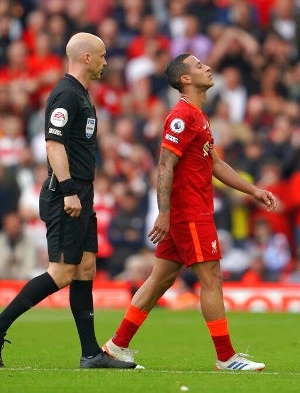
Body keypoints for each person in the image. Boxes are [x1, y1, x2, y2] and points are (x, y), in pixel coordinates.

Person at [102, 53, 277, 371]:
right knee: (212, 277)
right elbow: (164, 166)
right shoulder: (181, 117)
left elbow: (216, 164)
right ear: (185, 79)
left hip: (190, 211)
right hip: (189, 212)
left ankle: (116, 346)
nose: (207, 67)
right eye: (198, 66)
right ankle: (226, 357)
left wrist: (253, 190)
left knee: (159, 281)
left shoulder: (199, 116)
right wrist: (165, 212)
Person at [0, 33, 138, 369]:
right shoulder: (65, 93)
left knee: (86, 268)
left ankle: (91, 354)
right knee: (63, 272)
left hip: (83, 191)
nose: (107, 62)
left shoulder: (81, 94)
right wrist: (67, 190)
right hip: (68, 192)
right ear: (86, 58)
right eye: (102, 56)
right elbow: (53, 144)